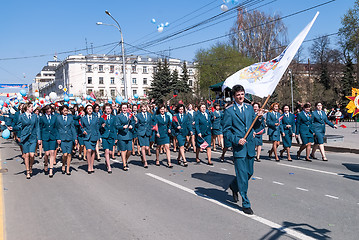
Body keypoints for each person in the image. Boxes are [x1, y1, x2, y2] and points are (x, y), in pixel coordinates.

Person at [223, 85, 263, 215]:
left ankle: (234, 186)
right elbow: (226, 131)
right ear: (234, 96)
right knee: (242, 176)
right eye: (238, 95)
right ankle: (245, 202)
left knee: (249, 172)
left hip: (250, 146)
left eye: (242, 94)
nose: (241, 97)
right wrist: (236, 139)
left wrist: (260, 118)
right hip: (239, 148)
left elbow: (255, 126)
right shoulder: (229, 111)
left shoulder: (250, 108)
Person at [10, 103, 40, 179]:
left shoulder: (35, 116)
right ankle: (27, 171)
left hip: (33, 138)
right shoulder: (21, 116)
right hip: (25, 138)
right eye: (31, 107)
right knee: (26, 155)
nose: (32, 108)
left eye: (32, 107)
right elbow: (19, 126)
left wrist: (39, 138)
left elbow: (37, 127)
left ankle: (30, 166)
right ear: (27, 108)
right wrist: (12, 128)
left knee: (32, 155)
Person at [56, 105, 77, 175]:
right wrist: (58, 138)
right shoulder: (58, 118)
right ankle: (63, 164)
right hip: (62, 138)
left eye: (67, 111)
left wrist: (75, 138)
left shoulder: (70, 118)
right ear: (61, 111)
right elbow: (57, 129)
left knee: (69, 154)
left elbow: (73, 128)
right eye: (64, 111)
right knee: (64, 154)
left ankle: (67, 168)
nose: (66, 112)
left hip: (69, 137)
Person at [38, 105, 58, 177]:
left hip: (53, 137)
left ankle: (51, 169)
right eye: (47, 110)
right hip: (45, 137)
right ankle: (46, 163)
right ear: (45, 110)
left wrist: (58, 138)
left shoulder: (54, 117)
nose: (49, 111)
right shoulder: (42, 118)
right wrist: (39, 138)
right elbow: (40, 129)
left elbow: (57, 128)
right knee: (47, 153)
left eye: (50, 110)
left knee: (52, 152)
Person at [81, 104, 100, 173]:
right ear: (86, 110)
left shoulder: (95, 118)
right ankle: (89, 165)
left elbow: (97, 128)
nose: (89, 110)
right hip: (86, 137)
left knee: (93, 150)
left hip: (94, 136)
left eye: (91, 108)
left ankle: (92, 165)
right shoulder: (83, 118)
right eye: (88, 108)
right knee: (88, 150)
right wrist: (83, 131)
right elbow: (81, 126)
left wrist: (99, 137)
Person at [116, 103, 135, 171]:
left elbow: (133, 122)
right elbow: (117, 125)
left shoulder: (130, 115)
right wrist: (122, 127)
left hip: (129, 134)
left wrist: (131, 126)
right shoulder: (118, 116)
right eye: (123, 108)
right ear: (121, 108)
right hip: (122, 135)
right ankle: (124, 164)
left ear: (127, 108)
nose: (124, 109)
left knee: (129, 150)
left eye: (125, 108)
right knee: (123, 150)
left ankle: (125, 160)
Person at [99, 103, 116, 173]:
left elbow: (115, 128)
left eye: (109, 109)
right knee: (106, 151)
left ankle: (107, 160)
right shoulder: (102, 117)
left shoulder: (114, 117)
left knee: (110, 152)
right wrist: (101, 127)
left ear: (111, 110)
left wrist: (116, 137)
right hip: (105, 136)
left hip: (111, 136)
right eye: (107, 109)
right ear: (104, 110)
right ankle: (109, 167)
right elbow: (98, 127)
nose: (108, 110)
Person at [136, 104, 152, 168]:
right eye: (143, 107)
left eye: (145, 107)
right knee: (143, 147)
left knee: (147, 148)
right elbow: (136, 125)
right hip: (141, 132)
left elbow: (151, 123)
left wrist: (151, 131)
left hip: (147, 132)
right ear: (141, 108)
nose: (144, 108)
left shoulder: (149, 115)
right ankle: (145, 162)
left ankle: (143, 155)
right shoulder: (138, 115)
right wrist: (136, 122)